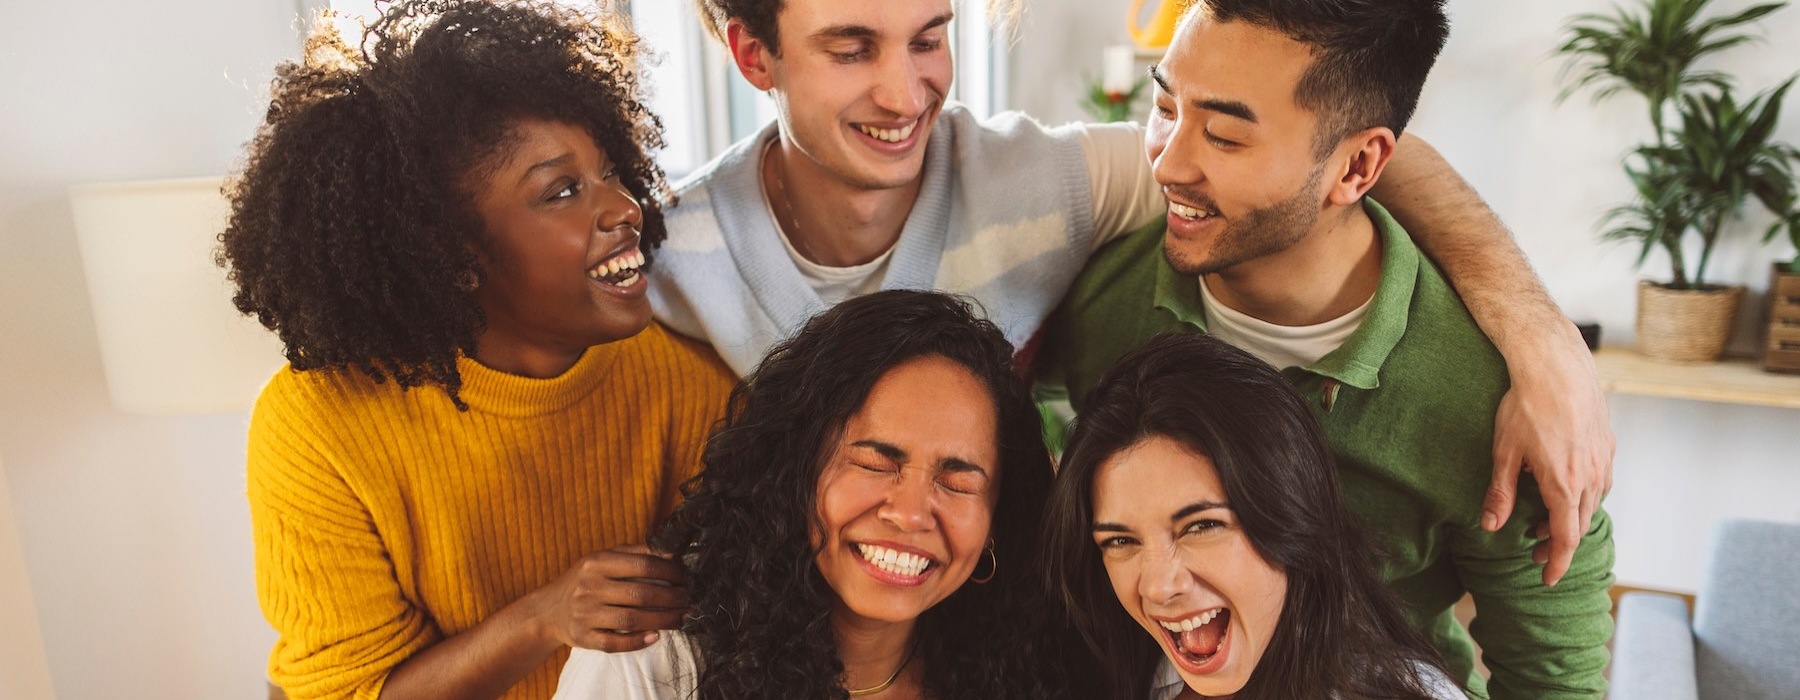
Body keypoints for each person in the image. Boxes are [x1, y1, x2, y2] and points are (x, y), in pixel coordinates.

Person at [656, 0, 1613, 587]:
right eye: (851, 47)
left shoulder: (1048, 183)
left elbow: (1348, 151)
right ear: (753, 57)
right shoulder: (671, 250)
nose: (907, 94)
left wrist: (1540, 340)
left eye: (930, 39)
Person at [1037, 2, 1615, 697]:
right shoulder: (1104, 295)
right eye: (1164, 107)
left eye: (1223, 136)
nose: (1168, 162)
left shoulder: (1486, 399)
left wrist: (1543, 337)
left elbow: (1554, 677)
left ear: (1358, 165)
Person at [219, 2, 735, 697]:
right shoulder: (316, 426)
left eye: (610, 171)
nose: (623, 208)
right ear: (451, 255)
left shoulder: (688, 381)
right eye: (562, 192)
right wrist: (543, 620)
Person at [552, 290, 1085, 699]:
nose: (910, 513)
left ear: (997, 517)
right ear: (794, 468)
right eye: (876, 462)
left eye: (957, 482)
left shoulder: (1026, 667)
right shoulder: (650, 659)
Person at [1044, 333, 1466, 700]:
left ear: (1291, 515)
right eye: (1120, 541)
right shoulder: (1108, 673)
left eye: (1202, 526)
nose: (1158, 587)